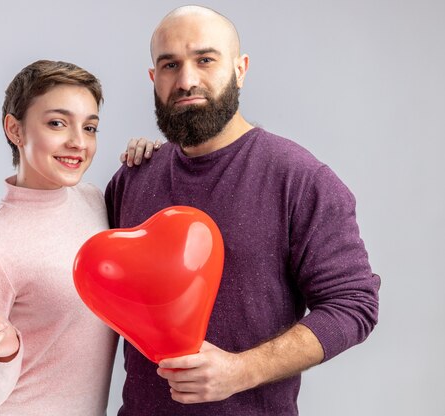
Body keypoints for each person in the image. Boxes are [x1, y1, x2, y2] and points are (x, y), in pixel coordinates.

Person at [105, 5, 381, 415]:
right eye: (170, 65)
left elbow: (354, 304)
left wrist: (243, 369)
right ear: (154, 78)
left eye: (205, 60)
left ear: (240, 69)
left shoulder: (301, 180)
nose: (186, 80)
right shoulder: (132, 178)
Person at [0, 60, 152, 416]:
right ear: (14, 130)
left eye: (90, 127)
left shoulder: (93, 201)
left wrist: (150, 158)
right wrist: (6, 353)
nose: (78, 143)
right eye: (57, 123)